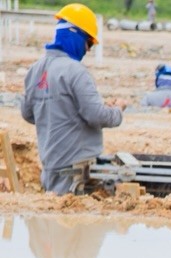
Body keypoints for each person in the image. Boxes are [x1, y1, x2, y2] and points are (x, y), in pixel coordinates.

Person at [20, 4, 126, 195]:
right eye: (89, 43)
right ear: (77, 36)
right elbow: (96, 116)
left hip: (50, 168)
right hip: (76, 174)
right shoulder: (76, 72)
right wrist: (117, 111)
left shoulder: (35, 70)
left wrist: (56, 111)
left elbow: (27, 114)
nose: (88, 49)